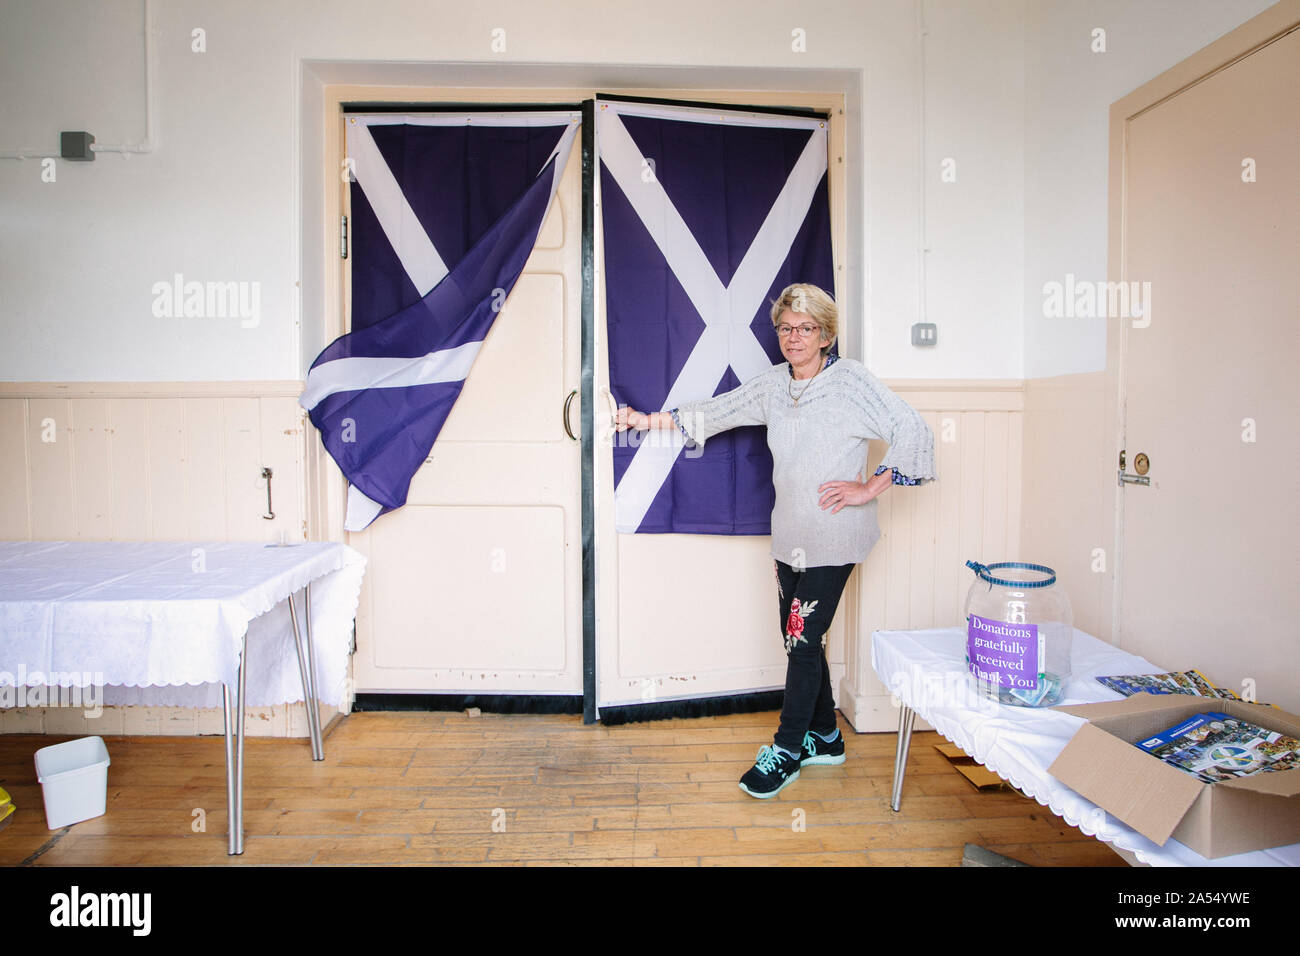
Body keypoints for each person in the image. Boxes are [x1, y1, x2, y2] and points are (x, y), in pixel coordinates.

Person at [615, 283, 935, 798]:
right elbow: (716, 412)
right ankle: (827, 737)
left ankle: (786, 749)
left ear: (826, 334)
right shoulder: (773, 385)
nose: (794, 337)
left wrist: (869, 487)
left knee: (802, 641)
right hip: (790, 535)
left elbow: (912, 428)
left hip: (835, 534)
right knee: (799, 638)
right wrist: (642, 421)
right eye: (786, 327)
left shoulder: (851, 381)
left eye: (806, 328)